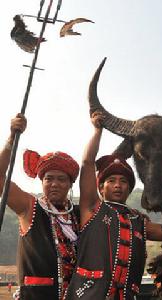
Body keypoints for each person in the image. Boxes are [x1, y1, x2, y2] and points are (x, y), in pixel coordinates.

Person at [65, 111, 162, 300]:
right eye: (111, 180)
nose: (118, 185)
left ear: (130, 188)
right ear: (100, 187)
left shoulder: (137, 220)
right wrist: (97, 131)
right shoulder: (92, 208)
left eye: (123, 181)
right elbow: (87, 163)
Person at [0, 113, 80, 300]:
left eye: (61, 179)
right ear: (42, 182)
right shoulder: (30, 207)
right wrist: (12, 137)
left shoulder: (77, 214)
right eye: (48, 178)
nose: (54, 184)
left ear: (70, 184)